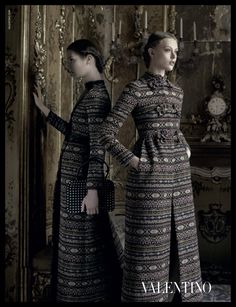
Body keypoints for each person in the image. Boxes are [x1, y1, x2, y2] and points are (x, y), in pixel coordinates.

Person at [98, 31, 204, 302]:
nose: (174, 56)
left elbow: (175, 130)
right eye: (169, 50)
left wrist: (186, 147)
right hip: (148, 180)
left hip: (179, 178)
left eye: (176, 52)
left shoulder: (177, 92)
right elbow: (105, 133)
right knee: (149, 250)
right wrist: (133, 161)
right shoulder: (135, 89)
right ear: (152, 52)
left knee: (181, 244)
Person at [33, 39, 122, 302]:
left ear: (89, 59)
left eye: (71, 60)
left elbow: (97, 148)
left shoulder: (96, 97)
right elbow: (76, 134)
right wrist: (45, 111)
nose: (68, 66)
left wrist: (92, 190)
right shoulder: (90, 92)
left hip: (83, 185)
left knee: (81, 248)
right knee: (75, 245)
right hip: (77, 182)